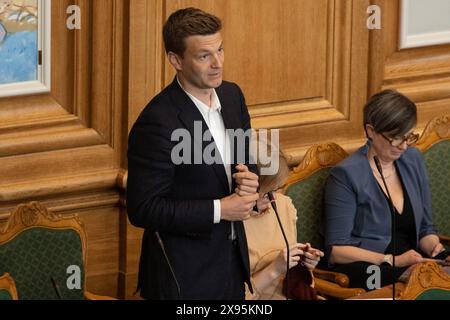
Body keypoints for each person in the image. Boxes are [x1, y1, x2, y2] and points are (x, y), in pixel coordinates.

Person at [127, 8, 266, 300]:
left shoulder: (232, 96)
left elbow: (244, 163)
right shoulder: (158, 122)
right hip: (183, 277)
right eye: (204, 56)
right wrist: (220, 209)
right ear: (176, 60)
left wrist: (253, 184)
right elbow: (144, 209)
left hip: (232, 267)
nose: (218, 64)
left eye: (220, 50)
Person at [324, 89, 450, 290]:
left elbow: (426, 229)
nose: (403, 146)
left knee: (435, 276)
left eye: (408, 137)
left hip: (414, 260)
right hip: (369, 268)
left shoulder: (413, 159)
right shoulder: (345, 175)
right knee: (424, 282)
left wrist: (437, 250)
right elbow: (337, 251)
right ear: (371, 131)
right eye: (395, 138)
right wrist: (394, 260)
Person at [244, 146, 324, 299]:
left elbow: (299, 282)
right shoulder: (230, 222)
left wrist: (305, 264)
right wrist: (274, 269)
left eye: (278, 188)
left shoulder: (284, 205)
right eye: (266, 191)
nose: (273, 198)